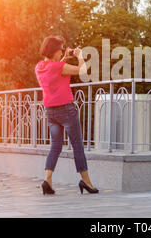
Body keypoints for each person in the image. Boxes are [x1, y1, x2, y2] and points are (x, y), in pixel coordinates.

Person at [35, 36, 98, 195]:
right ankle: (86, 181)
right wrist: (80, 56)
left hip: (50, 111)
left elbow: (55, 68)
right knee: (77, 145)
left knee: (55, 146)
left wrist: (64, 58)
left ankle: (47, 180)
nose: (62, 51)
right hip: (66, 110)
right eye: (61, 49)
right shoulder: (59, 67)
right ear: (54, 50)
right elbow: (81, 71)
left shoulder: (40, 67)